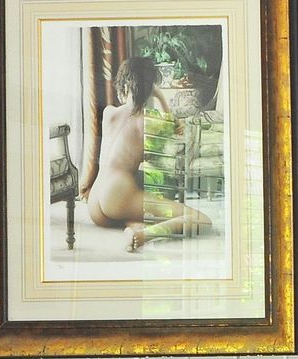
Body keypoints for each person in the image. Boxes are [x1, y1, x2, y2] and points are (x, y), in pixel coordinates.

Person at [78, 54, 212, 251]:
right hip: (117, 196)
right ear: (150, 88)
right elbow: (172, 131)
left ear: (124, 87)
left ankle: (133, 226)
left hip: (95, 204)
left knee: (138, 187)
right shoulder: (151, 122)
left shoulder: (109, 113)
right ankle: (146, 235)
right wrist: (159, 95)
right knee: (202, 220)